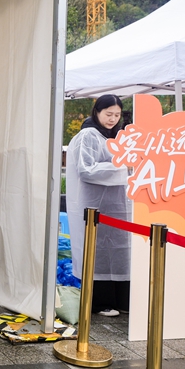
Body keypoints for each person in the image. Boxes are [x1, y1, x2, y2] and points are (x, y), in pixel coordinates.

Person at [66, 94, 130, 317]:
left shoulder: (115, 136)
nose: (113, 119)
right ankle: (101, 303)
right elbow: (87, 169)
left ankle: (122, 300)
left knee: (120, 252)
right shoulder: (89, 135)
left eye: (117, 115)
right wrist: (124, 168)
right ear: (97, 112)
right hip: (95, 206)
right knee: (98, 252)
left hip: (116, 207)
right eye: (108, 114)